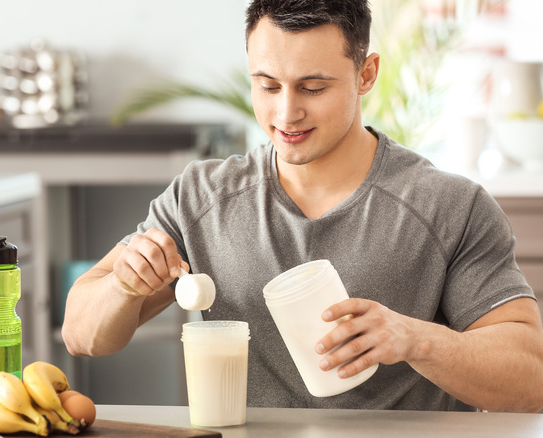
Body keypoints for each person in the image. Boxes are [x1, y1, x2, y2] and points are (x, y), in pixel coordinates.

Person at [61, 0, 543, 412]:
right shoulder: (201, 198)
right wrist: (125, 285)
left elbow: (531, 378)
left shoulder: (449, 207)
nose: (286, 113)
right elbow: (81, 334)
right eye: (268, 86)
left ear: (366, 74)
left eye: (313, 88)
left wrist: (416, 339)